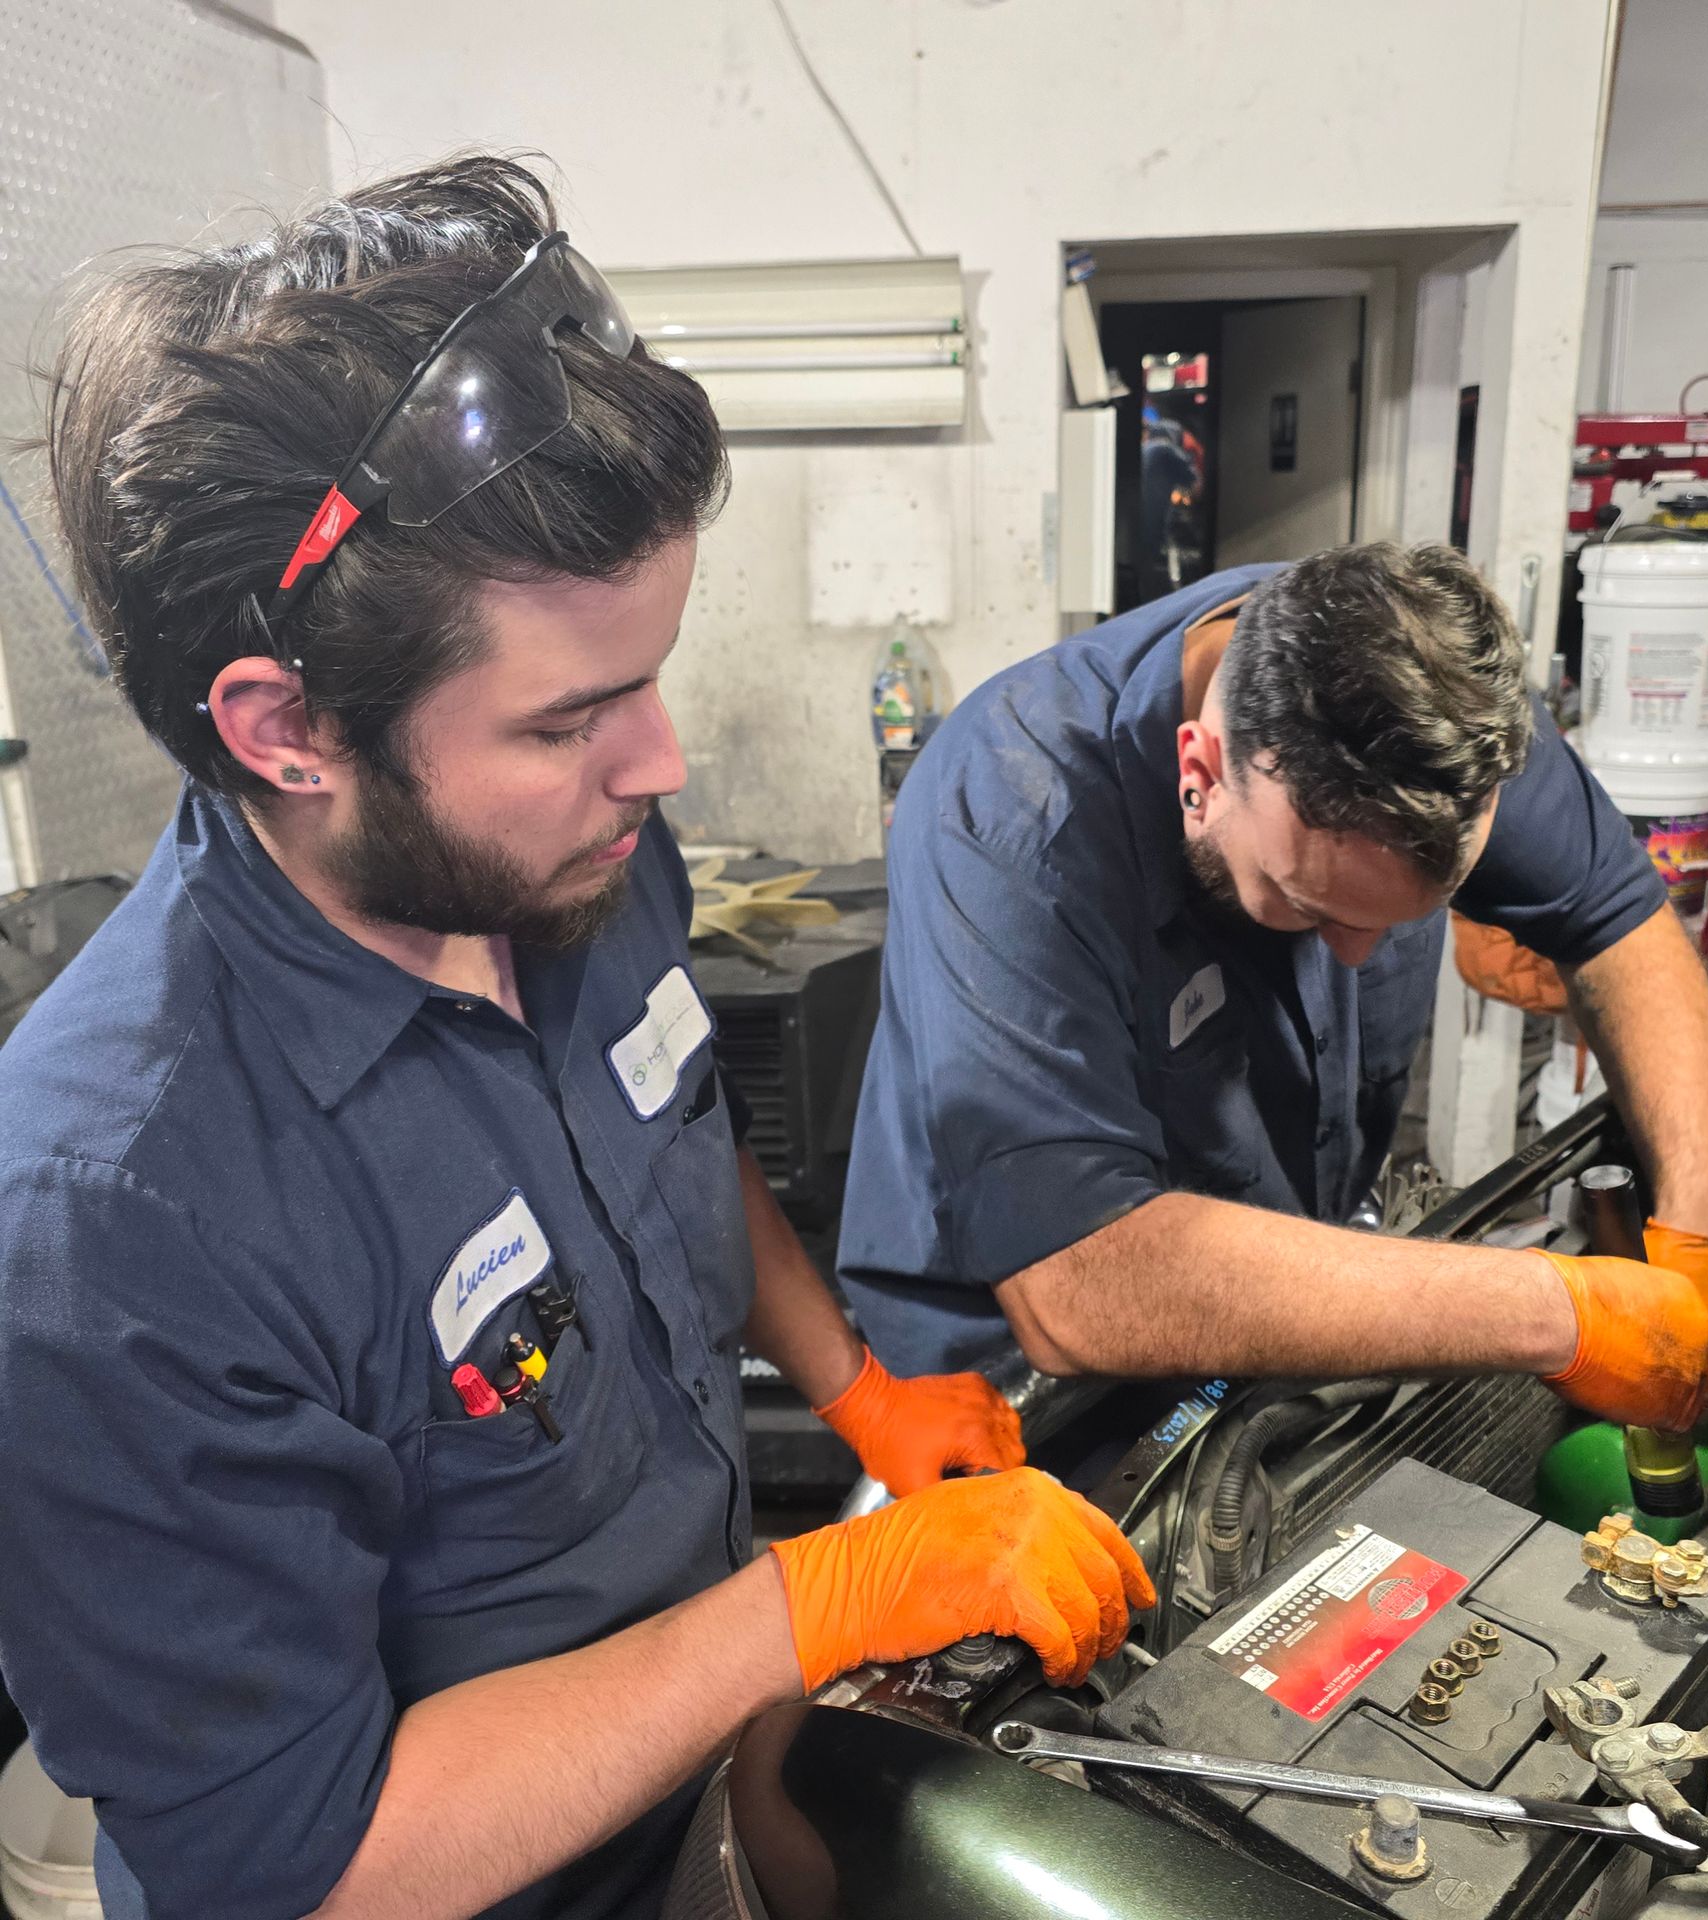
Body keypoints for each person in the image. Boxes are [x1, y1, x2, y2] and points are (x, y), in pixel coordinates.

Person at [0, 157, 1151, 1920]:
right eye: (573, 714)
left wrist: (856, 1384)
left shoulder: (581, 866)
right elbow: (303, 1873)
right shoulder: (117, 1216)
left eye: (654, 673)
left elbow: (676, 1127)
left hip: (701, 1765)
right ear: (287, 728)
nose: (662, 762)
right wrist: (819, 1602)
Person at [838, 546, 1708, 1426]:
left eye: (1407, 916)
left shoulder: (1426, 696)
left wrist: (1699, 1235)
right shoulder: (1008, 822)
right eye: (1312, 906)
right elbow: (1077, 1282)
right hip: (1011, 1374)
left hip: (1262, 1293)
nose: (1358, 958)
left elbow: (1619, 917)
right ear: (1199, 774)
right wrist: (1558, 1314)